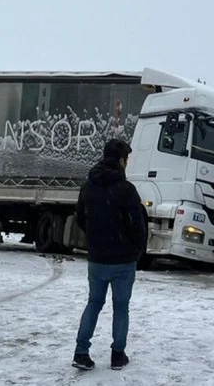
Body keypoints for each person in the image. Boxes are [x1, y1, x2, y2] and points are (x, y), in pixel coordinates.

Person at [71, 139, 147, 371]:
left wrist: (96, 239)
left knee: (93, 303)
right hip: (123, 259)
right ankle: (117, 354)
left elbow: (81, 219)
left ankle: (81, 352)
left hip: (97, 258)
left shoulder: (88, 186)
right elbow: (138, 225)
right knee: (121, 307)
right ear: (122, 160)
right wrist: (136, 249)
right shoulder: (126, 190)